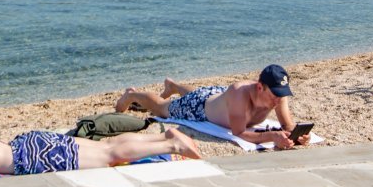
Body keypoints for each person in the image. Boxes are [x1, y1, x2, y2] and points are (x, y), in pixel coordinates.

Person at [0, 106, 201, 186]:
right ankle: (164, 138)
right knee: (106, 147)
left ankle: (171, 144)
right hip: (32, 143)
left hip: (34, 157)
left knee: (108, 156)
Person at [113, 64, 308, 150]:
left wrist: (297, 136)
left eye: (281, 94)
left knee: (204, 92)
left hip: (216, 97)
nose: (278, 99)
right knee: (162, 107)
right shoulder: (240, 94)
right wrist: (272, 136)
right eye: (275, 94)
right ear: (259, 87)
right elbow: (238, 132)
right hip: (199, 107)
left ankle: (173, 86)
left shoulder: (278, 95)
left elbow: (288, 126)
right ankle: (132, 95)